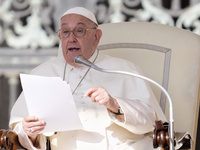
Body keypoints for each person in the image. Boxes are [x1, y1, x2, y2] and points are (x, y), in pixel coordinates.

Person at [9, 7, 166, 150]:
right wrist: (29, 133)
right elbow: (18, 130)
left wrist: (115, 105)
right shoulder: (41, 73)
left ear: (96, 37)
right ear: (60, 37)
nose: (71, 38)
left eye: (79, 31)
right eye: (65, 32)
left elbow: (149, 122)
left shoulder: (125, 69)